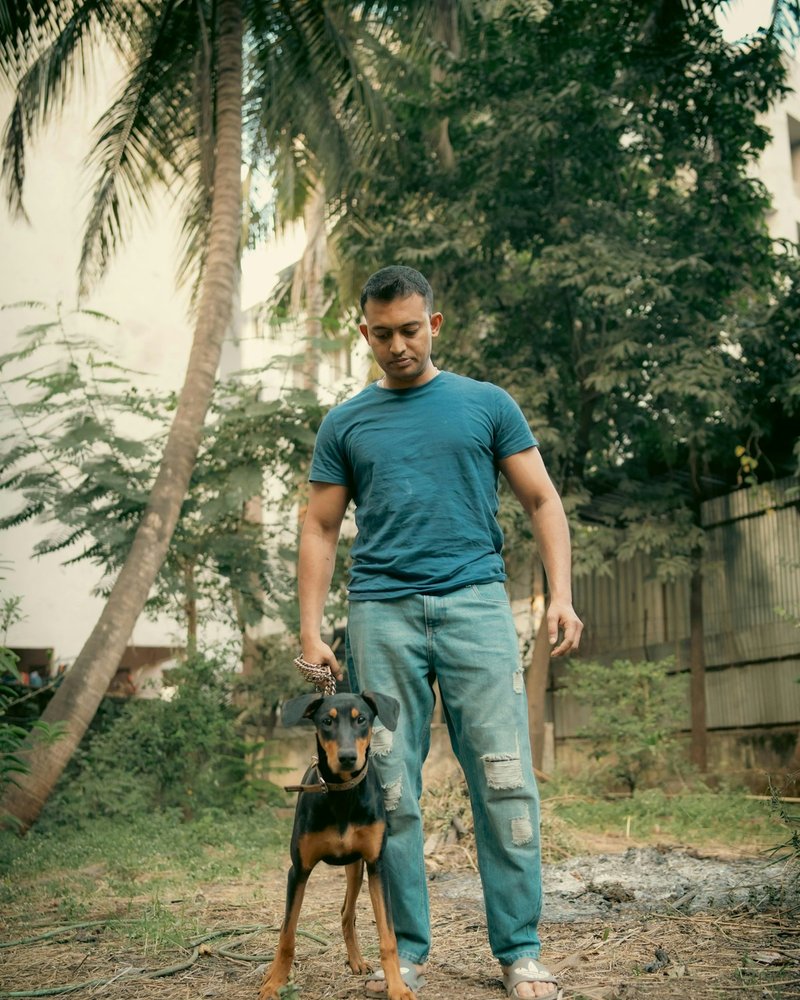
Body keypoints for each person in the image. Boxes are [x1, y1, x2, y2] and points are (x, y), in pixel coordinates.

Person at [297, 265, 583, 1000]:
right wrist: (310, 630)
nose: (398, 346)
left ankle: (520, 952)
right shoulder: (346, 423)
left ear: (434, 324)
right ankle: (406, 956)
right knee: (390, 787)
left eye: (410, 330)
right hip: (381, 612)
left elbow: (542, 500)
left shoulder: (486, 404)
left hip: (476, 604)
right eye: (382, 334)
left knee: (505, 778)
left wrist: (561, 595)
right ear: (364, 332)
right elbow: (321, 526)